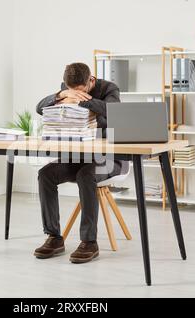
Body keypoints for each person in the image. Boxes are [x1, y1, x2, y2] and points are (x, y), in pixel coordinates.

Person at [34, 62, 126, 264]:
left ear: (90, 81)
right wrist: (60, 96)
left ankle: (89, 242)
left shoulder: (109, 88)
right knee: (46, 174)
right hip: (76, 158)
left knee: (86, 174)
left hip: (109, 159)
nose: (75, 94)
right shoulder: (66, 90)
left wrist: (86, 102)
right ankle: (54, 237)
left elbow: (115, 111)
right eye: (70, 90)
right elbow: (40, 108)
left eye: (80, 91)